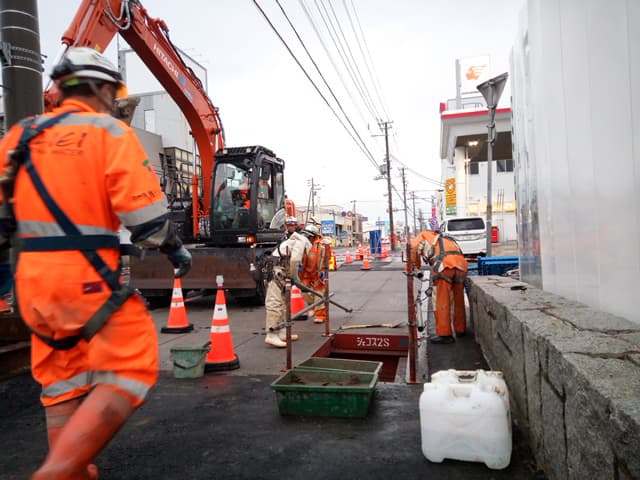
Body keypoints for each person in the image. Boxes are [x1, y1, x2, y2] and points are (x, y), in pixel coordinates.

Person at [0, 47, 192, 479]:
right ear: (102, 90)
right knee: (133, 364)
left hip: (32, 289)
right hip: (85, 282)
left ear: (60, 87)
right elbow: (147, 219)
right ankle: (55, 473)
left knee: (61, 382)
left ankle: (70, 470)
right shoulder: (109, 133)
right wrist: (174, 249)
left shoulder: (20, 137)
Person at [264, 224, 318, 347]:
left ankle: (282, 332)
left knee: (284, 304)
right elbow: (294, 261)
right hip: (276, 272)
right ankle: (271, 335)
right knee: (275, 303)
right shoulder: (301, 241)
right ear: (311, 237)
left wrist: (294, 278)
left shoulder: (297, 240)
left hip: (281, 272)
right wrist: (295, 278)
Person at [410, 229, 468, 344]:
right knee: (458, 300)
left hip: (445, 266)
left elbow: (413, 247)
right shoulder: (446, 238)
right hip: (461, 266)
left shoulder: (424, 235)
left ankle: (444, 334)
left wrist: (413, 266)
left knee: (441, 301)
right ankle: (460, 329)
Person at [299, 224, 332, 323]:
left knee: (319, 294)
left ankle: (320, 315)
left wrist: (324, 271)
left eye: (308, 236)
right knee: (305, 293)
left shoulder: (322, 245)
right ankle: (313, 307)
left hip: (318, 273)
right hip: (306, 273)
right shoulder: (303, 244)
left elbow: (327, 258)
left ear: (313, 236)